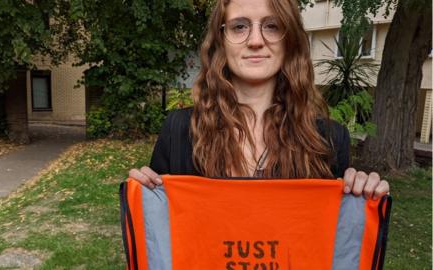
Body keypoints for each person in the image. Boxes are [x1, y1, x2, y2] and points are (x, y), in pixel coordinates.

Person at [129, 0, 389, 199]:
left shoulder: (329, 140)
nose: (255, 41)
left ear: (290, 41)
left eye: (272, 26)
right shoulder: (179, 130)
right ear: (221, 41)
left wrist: (362, 195)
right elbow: (163, 239)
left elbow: (334, 244)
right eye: (239, 26)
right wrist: (145, 194)